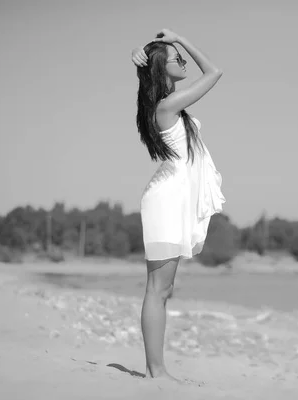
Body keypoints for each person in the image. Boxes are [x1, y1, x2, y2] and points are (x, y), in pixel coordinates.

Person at [131, 28, 225, 380]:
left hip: (173, 199)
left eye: (181, 56)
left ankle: (158, 369)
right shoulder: (167, 106)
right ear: (161, 69)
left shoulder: (168, 104)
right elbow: (214, 72)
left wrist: (142, 53)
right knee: (158, 289)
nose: (183, 61)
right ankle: (157, 372)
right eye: (176, 59)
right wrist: (181, 39)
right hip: (166, 201)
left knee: (164, 289)